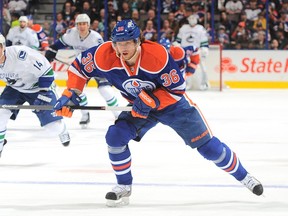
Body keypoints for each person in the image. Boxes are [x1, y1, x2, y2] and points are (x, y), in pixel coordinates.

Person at [52, 20, 264, 207]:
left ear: (138, 41)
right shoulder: (104, 54)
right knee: (115, 136)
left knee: (209, 148)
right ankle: (123, 186)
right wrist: (71, 92)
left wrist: (152, 100)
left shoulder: (157, 56)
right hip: (138, 107)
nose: (122, 48)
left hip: (173, 106)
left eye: (127, 42)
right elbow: (79, 68)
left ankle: (245, 177)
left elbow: (177, 90)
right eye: (118, 42)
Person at [0, 34, 70, 157]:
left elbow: (47, 71)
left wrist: (43, 93)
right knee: (1, 114)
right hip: (15, 88)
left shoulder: (21, 55)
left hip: (37, 87)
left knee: (53, 129)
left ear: (4, 47)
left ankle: (62, 129)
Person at [45, 13, 120, 128]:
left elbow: (104, 54)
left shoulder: (96, 38)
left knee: (105, 90)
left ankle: (118, 115)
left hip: (97, 66)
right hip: (80, 68)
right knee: (76, 92)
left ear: (88, 25)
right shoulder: (71, 34)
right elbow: (57, 45)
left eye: (84, 24)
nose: (81, 26)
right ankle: (85, 114)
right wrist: (51, 50)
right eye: (79, 24)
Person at [176, 15, 210, 90]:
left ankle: (204, 84)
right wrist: (177, 46)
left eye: (193, 18)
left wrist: (204, 49)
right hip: (185, 52)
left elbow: (204, 41)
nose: (192, 19)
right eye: (190, 18)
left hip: (197, 51)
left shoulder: (200, 28)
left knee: (203, 68)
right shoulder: (183, 28)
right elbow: (178, 40)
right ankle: (186, 84)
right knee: (184, 68)